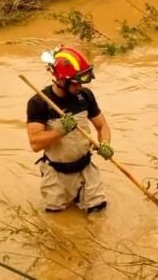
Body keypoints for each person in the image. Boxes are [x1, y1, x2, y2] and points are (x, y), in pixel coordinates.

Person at [26, 46, 114, 213]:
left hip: (86, 168)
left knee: (99, 212)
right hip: (56, 173)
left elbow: (102, 126)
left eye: (82, 81)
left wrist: (105, 144)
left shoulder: (85, 96)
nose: (79, 86)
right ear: (60, 79)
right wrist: (62, 131)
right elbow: (35, 144)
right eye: (75, 82)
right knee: (57, 219)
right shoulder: (39, 103)